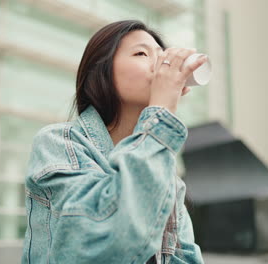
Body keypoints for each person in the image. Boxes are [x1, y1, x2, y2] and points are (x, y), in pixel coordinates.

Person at [21, 20, 207, 264]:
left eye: (162, 56)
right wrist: (161, 111)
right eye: (141, 53)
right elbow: (100, 247)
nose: (161, 65)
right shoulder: (59, 143)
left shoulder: (166, 175)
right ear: (102, 72)